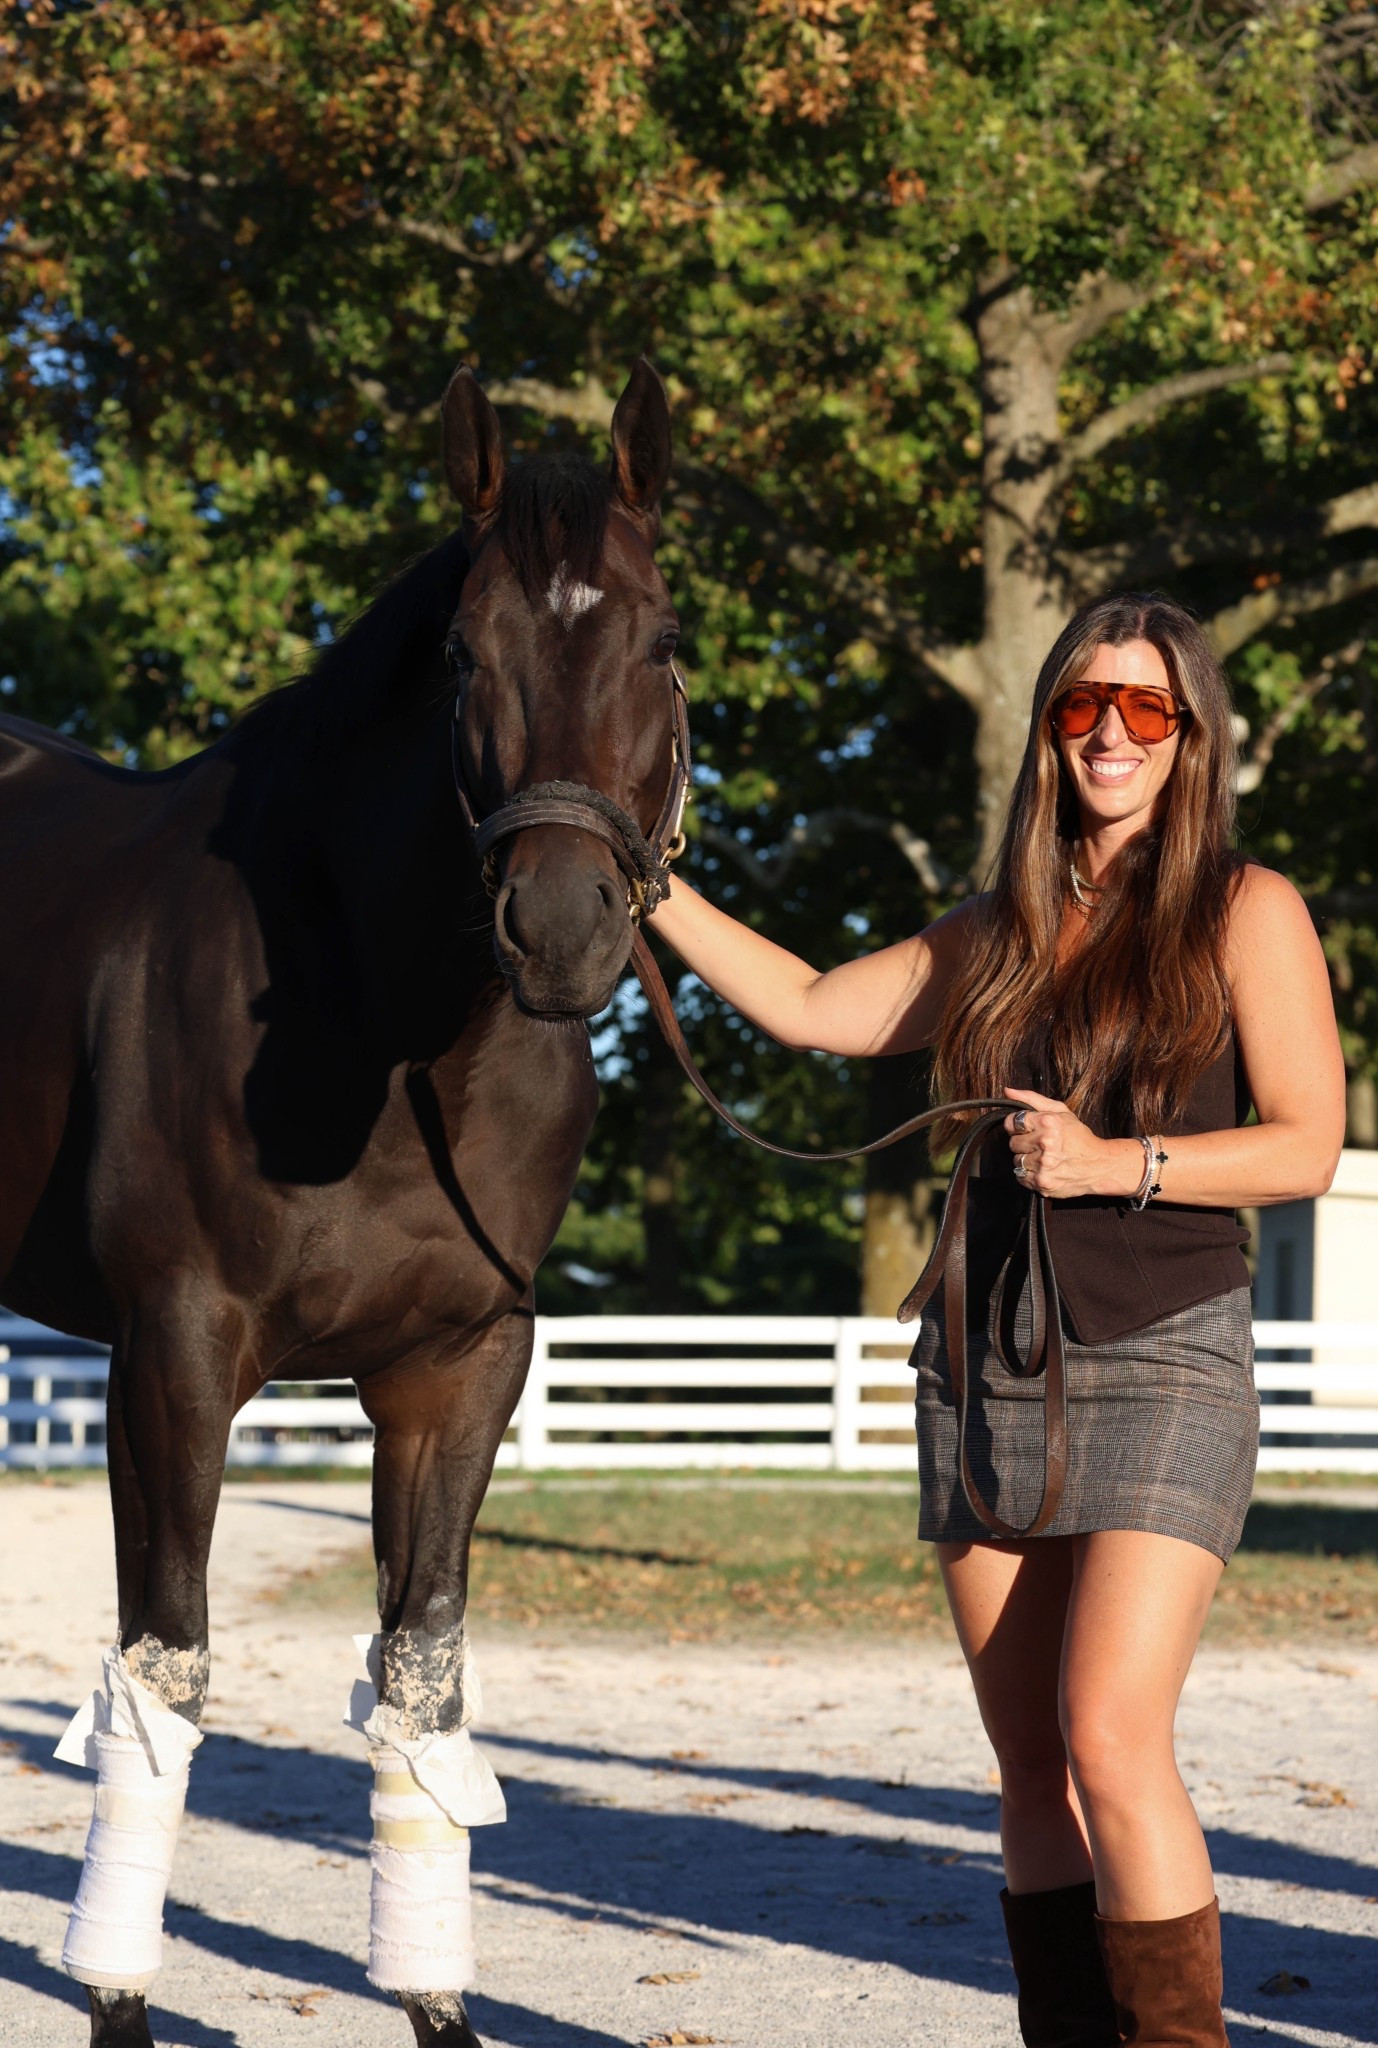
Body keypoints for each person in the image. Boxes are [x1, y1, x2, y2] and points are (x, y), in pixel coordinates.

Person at [647, 590, 1345, 2048]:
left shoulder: (1245, 908)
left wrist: (1115, 1164)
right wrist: (643, 883)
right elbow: (813, 1006)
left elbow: (1306, 1145)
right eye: (1083, 704)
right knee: (1029, 1762)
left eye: (1144, 708)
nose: (1110, 733)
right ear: (1047, 729)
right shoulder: (1001, 927)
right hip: (987, 1363)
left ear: (1190, 736)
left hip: (1166, 1354)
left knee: (1110, 1736)